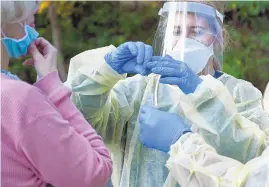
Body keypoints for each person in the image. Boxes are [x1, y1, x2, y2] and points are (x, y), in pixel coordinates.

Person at [65, 1, 269, 187]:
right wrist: (104, 71)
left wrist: (202, 98)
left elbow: (253, 160)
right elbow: (77, 121)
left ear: (219, 39)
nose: (184, 40)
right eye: (177, 30)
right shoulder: (138, 90)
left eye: (196, 31)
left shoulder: (242, 95)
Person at [1, 1, 112, 187]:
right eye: (24, 11)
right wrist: (52, 87)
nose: (34, 14)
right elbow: (95, 174)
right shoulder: (17, 99)